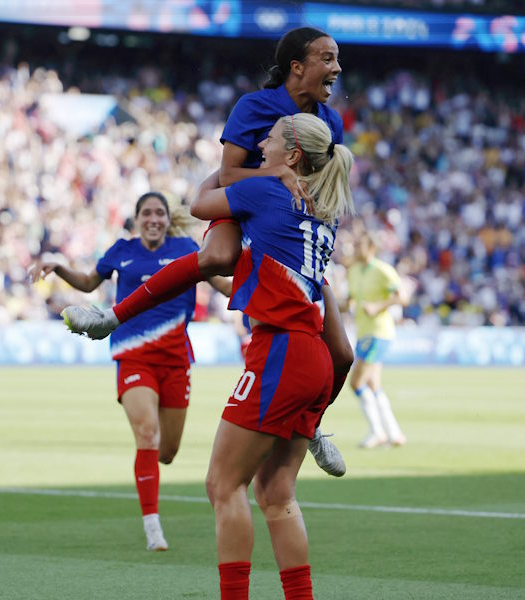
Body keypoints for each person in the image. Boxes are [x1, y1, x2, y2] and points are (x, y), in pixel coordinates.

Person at [63, 27, 352, 478]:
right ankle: (111, 319)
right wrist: (275, 175)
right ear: (297, 66)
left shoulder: (329, 122)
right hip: (245, 203)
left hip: (292, 232)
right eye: (328, 58)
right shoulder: (254, 108)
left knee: (343, 354)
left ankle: (312, 425)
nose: (337, 68)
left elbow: (326, 181)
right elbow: (228, 174)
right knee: (216, 257)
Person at [191, 112, 354, 600]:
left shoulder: (267, 191)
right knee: (277, 495)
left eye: (270, 138)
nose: (260, 143)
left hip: (280, 351)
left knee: (224, 485)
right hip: (315, 361)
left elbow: (201, 204)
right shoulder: (320, 210)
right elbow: (341, 348)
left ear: (293, 154)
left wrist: (233, 164)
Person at [31, 192, 230, 551]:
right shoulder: (121, 250)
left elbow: (223, 283)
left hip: (176, 361)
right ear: (137, 219)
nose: (153, 219)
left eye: (159, 213)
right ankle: (153, 526)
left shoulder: (187, 247)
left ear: (168, 220)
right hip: (133, 357)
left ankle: (153, 496)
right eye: (146, 213)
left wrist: (262, 282)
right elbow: (90, 282)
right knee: (147, 434)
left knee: (167, 451)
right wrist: (58, 266)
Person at [344, 232, 408, 449]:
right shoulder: (353, 271)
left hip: (379, 332)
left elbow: (402, 296)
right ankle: (395, 433)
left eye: (360, 244)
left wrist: (378, 306)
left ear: (371, 248)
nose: (356, 249)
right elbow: (350, 300)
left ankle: (377, 431)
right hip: (363, 332)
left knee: (356, 383)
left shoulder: (383, 270)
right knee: (373, 385)